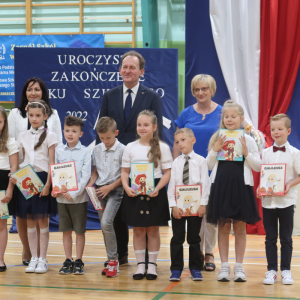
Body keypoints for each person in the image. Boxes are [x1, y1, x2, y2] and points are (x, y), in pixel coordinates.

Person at [97, 50, 163, 266]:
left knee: (138, 213)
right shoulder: (109, 95)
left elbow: (157, 130)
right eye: (124, 67)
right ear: (120, 70)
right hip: (117, 165)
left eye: (132, 67)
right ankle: (120, 257)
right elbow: (103, 128)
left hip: (140, 163)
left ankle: (145, 260)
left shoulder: (152, 97)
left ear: (141, 72)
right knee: (116, 215)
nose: (127, 71)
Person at [8, 77, 62, 265]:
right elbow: (13, 146)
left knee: (41, 218)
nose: (33, 92)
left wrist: (53, 179)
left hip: (44, 174)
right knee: (26, 217)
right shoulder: (15, 114)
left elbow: (57, 148)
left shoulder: (53, 116)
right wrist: (16, 172)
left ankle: (41, 256)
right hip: (24, 174)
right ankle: (29, 253)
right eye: (29, 89)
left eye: (37, 89)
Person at [206, 100, 261, 282]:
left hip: (241, 187)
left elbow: (258, 166)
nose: (229, 120)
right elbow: (209, 164)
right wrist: (215, 150)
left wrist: (246, 153)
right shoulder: (217, 138)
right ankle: (224, 266)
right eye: (226, 117)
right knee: (222, 227)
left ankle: (239, 267)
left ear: (241, 118)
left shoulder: (249, 139)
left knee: (239, 228)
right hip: (221, 186)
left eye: (233, 116)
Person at [174, 74, 222, 271]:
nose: (200, 93)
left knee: (209, 214)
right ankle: (198, 253)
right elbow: (177, 142)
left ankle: (209, 252)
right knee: (194, 214)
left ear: (212, 90)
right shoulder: (186, 113)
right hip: (189, 171)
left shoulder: (222, 112)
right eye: (197, 89)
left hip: (215, 170)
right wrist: (175, 166)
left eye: (204, 89)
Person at [121, 110, 172, 280]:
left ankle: (152, 265)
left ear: (154, 127)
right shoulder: (130, 147)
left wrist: (157, 188)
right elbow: (124, 172)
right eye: (139, 125)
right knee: (138, 230)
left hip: (154, 193)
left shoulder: (163, 148)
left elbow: (166, 173)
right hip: (135, 194)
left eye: (146, 125)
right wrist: (127, 188)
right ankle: (140, 265)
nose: (142, 128)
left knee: (153, 230)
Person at [14, 100, 58, 274]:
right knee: (30, 220)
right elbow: (21, 160)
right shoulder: (22, 136)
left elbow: (52, 162)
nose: (34, 118)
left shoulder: (51, 136)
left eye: (38, 115)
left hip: (43, 178)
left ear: (45, 116)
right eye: (31, 115)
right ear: (27, 115)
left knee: (42, 220)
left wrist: (48, 185)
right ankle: (33, 258)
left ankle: (43, 258)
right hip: (27, 179)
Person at [258, 114, 300, 285]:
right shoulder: (266, 153)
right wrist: (260, 188)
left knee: (286, 238)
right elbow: (264, 175)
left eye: (280, 129)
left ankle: (286, 271)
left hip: (286, 201)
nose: (276, 132)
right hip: (268, 202)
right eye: (273, 129)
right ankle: (271, 270)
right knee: (270, 238)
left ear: (288, 131)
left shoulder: (295, 153)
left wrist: (289, 184)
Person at [168, 128, 211, 281]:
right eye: (177, 141)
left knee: (194, 239)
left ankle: (195, 267)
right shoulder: (175, 163)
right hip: (179, 207)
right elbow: (172, 185)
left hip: (195, 206)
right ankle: (176, 269)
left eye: (183, 140)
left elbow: (206, 184)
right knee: (177, 238)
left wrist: (203, 204)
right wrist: (173, 205)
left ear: (193, 140)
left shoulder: (201, 161)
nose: (180, 144)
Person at [52, 116, 91, 275]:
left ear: (80, 134)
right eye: (67, 131)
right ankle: (68, 259)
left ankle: (79, 260)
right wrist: (56, 189)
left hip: (79, 199)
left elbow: (85, 176)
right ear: (63, 131)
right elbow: (55, 172)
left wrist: (73, 193)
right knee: (66, 231)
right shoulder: (59, 150)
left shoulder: (85, 151)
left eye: (74, 131)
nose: (70, 134)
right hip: (62, 199)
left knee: (80, 231)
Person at [87, 117, 125, 278]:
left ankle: (114, 261)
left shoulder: (123, 149)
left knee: (106, 223)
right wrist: (90, 184)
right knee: (105, 228)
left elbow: (125, 175)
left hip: (115, 191)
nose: (105, 141)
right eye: (102, 138)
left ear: (116, 133)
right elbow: (95, 172)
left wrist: (110, 187)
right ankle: (110, 260)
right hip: (100, 191)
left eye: (108, 137)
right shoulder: (96, 149)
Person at [0, 106, 19, 272]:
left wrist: (9, 189)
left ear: (4, 122)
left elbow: (14, 168)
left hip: (2, 186)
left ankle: (0, 260)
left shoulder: (10, 143)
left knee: (1, 225)